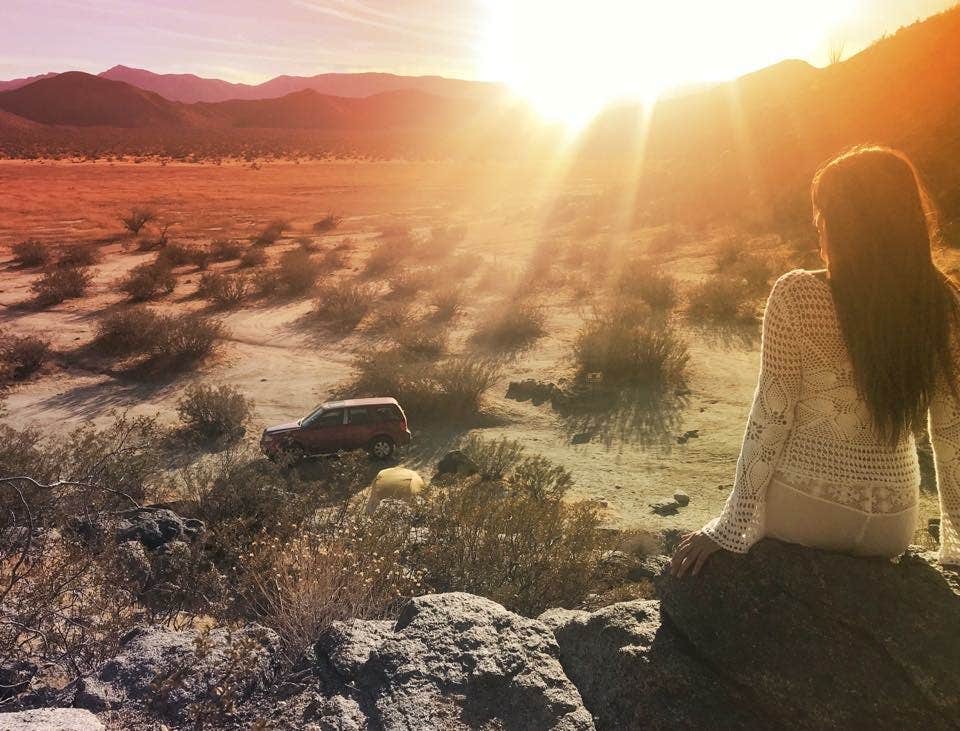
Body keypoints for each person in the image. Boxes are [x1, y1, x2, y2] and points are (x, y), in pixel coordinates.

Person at [671, 145, 960, 577]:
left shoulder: (797, 295)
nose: (818, 229)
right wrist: (955, 539)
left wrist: (732, 525)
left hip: (808, 511)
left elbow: (771, 418)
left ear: (844, 224)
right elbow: (951, 433)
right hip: (893, 523)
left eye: (822, 217)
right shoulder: (941, 304)